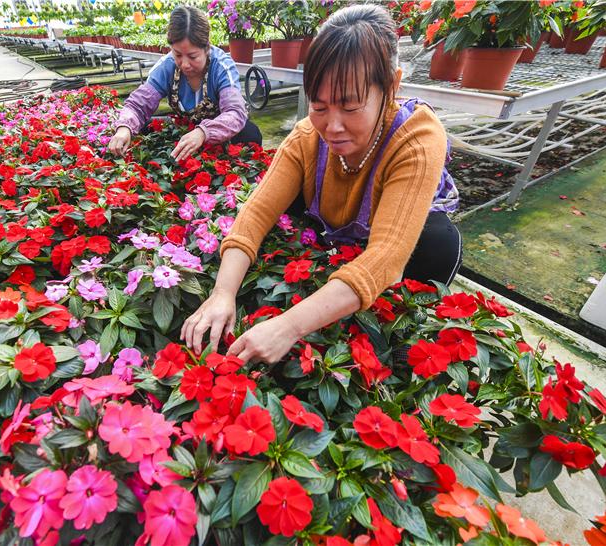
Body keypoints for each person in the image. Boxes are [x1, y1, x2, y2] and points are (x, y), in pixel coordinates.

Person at [181, 4, 462, 363]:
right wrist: (222, 293)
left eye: (349, 106)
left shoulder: (418, 138)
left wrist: (287, 327)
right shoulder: (306, 137)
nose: (332, 125)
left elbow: (387, 256)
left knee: (437, 243)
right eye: (319, 105)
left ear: (390, 87)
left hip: (398, 235)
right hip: (332, 232)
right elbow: (256, 213)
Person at [108, 5, 262, 162]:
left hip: (220, 132)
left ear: (207, 47)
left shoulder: (221, 66)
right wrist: (124, 128)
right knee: (143, 125)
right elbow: (138, 105)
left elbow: (235, 113)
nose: (185, 64)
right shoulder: (166, 66)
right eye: (178, 54)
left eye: (193, 56)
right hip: (186, 129)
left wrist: (203, 132)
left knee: (250, 134)